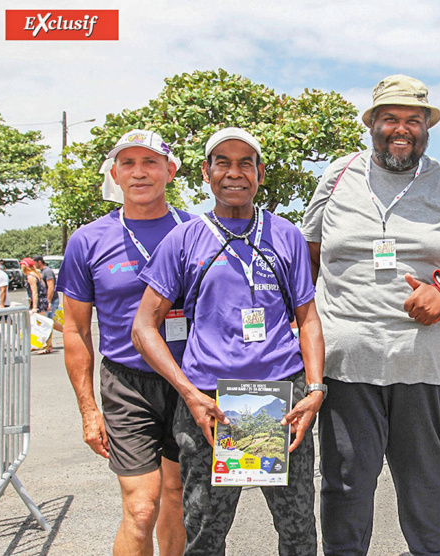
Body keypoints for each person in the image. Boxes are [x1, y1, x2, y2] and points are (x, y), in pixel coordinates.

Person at [302, 75, 440, 556]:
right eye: (391, 119)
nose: (401, 129)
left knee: (424, 482)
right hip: (346, 362)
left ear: (427, 128)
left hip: (422, 362)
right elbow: (308, 255)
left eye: (413, 120)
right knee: (345, 483)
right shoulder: (338, 176)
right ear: (373, 124)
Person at [132, 127, 324, 556]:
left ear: (259, 173)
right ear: (206, 172)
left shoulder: (286, 235)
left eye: (245, 163)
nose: (234, 173)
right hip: (211, 405)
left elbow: (308, 318)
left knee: (297, 532)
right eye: (223, 162)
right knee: (204, 531)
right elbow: (144, 326)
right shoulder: (185, 237)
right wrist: (188, 392)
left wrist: (314, 389)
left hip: (281, 401)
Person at [57, 129, 192, 556]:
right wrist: (88, 411)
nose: (139, 173)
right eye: (128, 164)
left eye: (150, 162)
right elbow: (76, 331)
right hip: (127, 385)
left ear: (169, 171)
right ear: (114, 174)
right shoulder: (87, 240)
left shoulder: (197, 230)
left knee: (177, 497)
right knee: (140, 507)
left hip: (190, 384)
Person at [35, 255, 64, 351]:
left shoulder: (47, 271)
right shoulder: (42, 272)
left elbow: (51, 287)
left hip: (51, 300)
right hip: (48, 300)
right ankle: (66, 334)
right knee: (49, 322)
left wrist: (48, 301)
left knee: (47, 323)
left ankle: (48, 346)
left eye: (34, 262)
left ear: (39, 262)